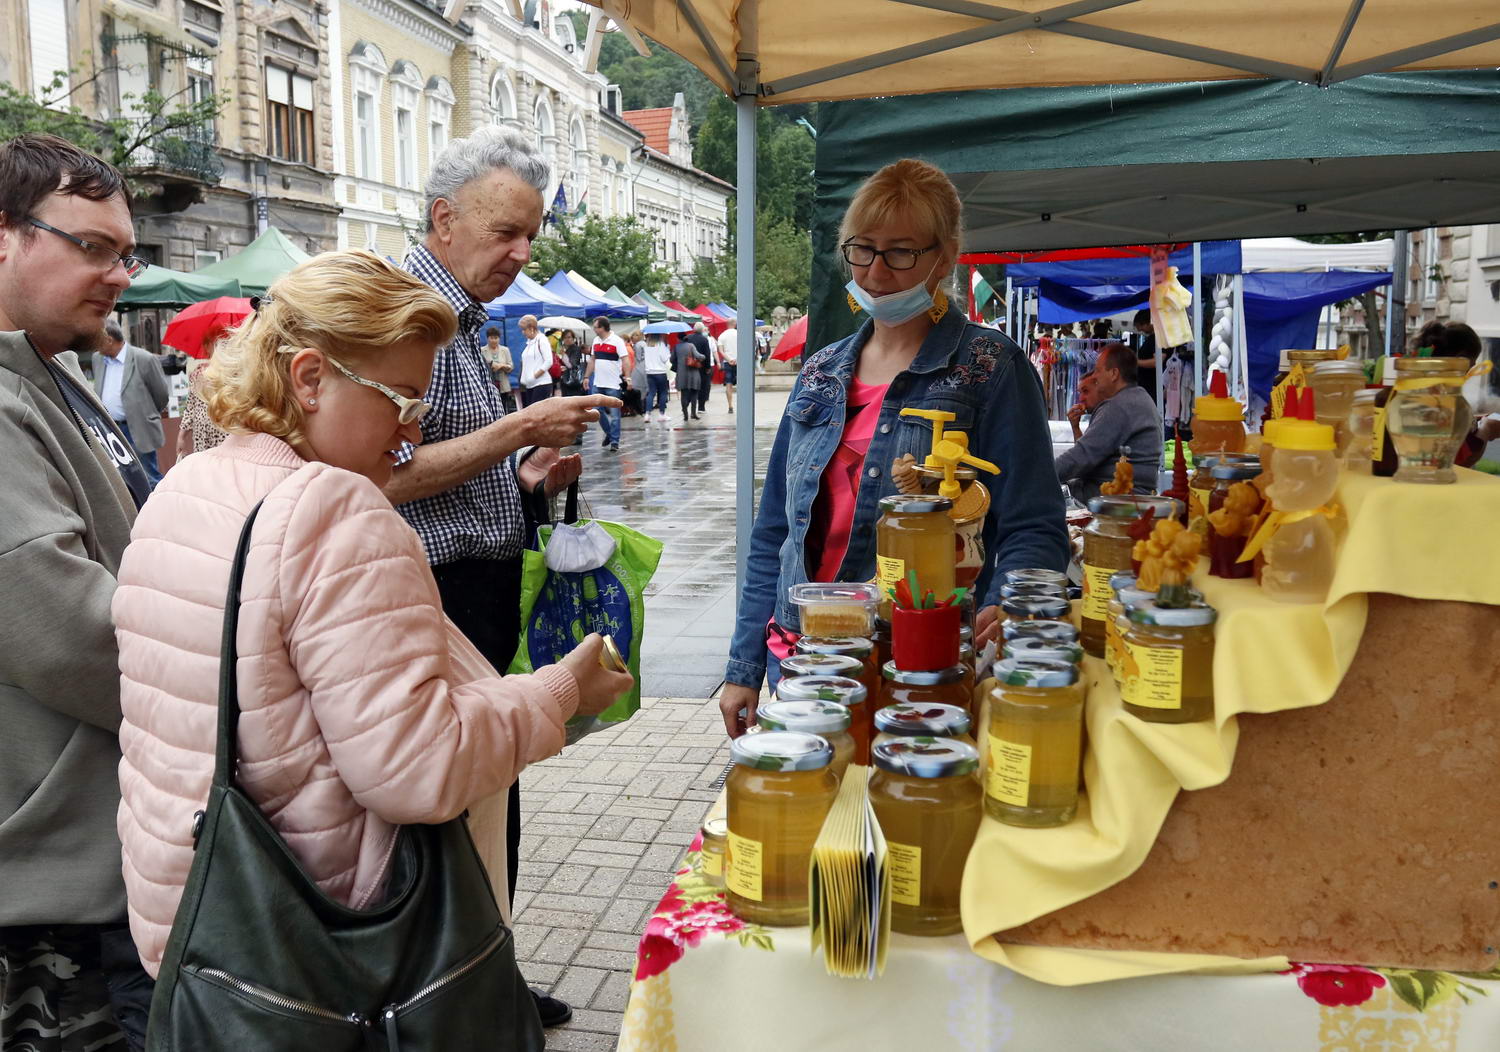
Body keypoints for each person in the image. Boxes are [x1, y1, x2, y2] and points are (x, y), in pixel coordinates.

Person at [112, 251, 633, 1029]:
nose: (413, 429)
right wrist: (561, 691)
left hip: (201, 919)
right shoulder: (335, 509)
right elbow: (420, 769)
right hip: (334, 951)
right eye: (400, 399)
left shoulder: (186, 485)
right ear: (309, 378)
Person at [384, 126, 621, 1029]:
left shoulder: (461, 318)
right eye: (505, 233)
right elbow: (384, 475)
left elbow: (443, 471)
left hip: (471, 589)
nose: (522, 255)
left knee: (491, 792)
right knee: (457, 802)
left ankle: (486, 979)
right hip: (430, 599)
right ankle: (458, 998)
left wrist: (523, 481)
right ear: (444, 220)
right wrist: (519, 431)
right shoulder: (406, 314)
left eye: (531, 235)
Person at [721, 158, 1069, 737]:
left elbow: (1033, 524)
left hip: (924, 663)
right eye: (863, 249)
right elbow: (775, 532)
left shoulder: (990, 368)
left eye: (901, 252)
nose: (877, 271)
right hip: (805, 657)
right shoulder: (821, 372)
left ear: (944, 256)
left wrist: (1010, 603)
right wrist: (743, 667)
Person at [0, 133, 155, 1050]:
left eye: (126, 253)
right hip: (54, 890)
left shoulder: (49, 373)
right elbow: (71, 633)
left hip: (100, 851)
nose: (120, 275)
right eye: (92, 247)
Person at [1054, 341, 1161, 503]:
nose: (1095, 376)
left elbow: (1080, 458)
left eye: (1098, 370)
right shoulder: (1139, 398)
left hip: (1113, 500)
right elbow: (1087, 454)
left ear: (1114, 374)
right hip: (1126, 495)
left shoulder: (1119, 406)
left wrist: (1039, 475)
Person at [92, 317, 169, 486]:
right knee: (120, 480)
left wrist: (145, 415)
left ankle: (159, 503)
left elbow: (161, 395)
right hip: (110, 430)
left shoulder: (144, 359)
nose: (94, 345)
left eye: (97, 340)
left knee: (149, 478)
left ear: (109, 340)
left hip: (138, 429)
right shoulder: (97, 359)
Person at [587, 315, 628, 451]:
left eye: (596, 327)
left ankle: (614, 441)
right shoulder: (595, 341)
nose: (594, 329)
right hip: (598, 382)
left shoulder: (617, 341)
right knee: (596, 411)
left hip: (613, 383)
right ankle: (610, 434)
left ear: (603, 328)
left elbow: (625, 360)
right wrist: (587, 377)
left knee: (615, 414)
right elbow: (592, 360)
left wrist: (628, 378)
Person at [672, 325, 707, 422]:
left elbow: (671, 359)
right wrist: (703, 357)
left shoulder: (676, 347)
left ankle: (685, 415)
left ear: (678, 339)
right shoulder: (691, 346)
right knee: (694, 394)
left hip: (681, 374)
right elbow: (698, 356)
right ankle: (693, 414)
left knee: (684, 395)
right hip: (693, 373)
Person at [518, 314, 554, 406]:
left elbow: (549, 361)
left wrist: (535, 376)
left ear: (531, 328)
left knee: (537, 412)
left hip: (541, 383)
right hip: (530, 385)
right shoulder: (529, 343)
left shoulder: (542, 340)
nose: (523, 332)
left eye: (524, 329)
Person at [642, 331, 672, 425]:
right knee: (663, 392)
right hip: (660, 372)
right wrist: (668, 349)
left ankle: (647, 414)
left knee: (651, 393)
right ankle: (661, 414)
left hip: (649, 372)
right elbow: (665, 359)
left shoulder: (646, 345)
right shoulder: (661, 345)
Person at [486, 326, 516, 412]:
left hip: (503, 385)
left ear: (499, 338)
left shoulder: (505, 350)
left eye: (496, 338)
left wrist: (501, 366)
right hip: (488, 385)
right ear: (487, 338)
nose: (494, 340)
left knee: (503, 408)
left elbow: (511, 366)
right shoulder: (482, 350)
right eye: (491, 338)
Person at [1133, 309, 1158, 403]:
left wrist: (1136, 362)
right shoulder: (1151, 338)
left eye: (1141, 327)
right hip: (1147, 386)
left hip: (1152, 387)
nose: (1140, 330)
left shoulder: (1157, 338)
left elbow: (1157, 362)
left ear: (1148, 323)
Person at [718, 316, 739, 413]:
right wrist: (736, 359)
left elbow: (721, 351)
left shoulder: (722, 336)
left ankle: (730, 406)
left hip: (727, 362)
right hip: (739, 362)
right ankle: (741, 404)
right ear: (735, 324)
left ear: (727, 324)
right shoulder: (739, 334)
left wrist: (729, 359)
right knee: (741, 383)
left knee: (728, 383)